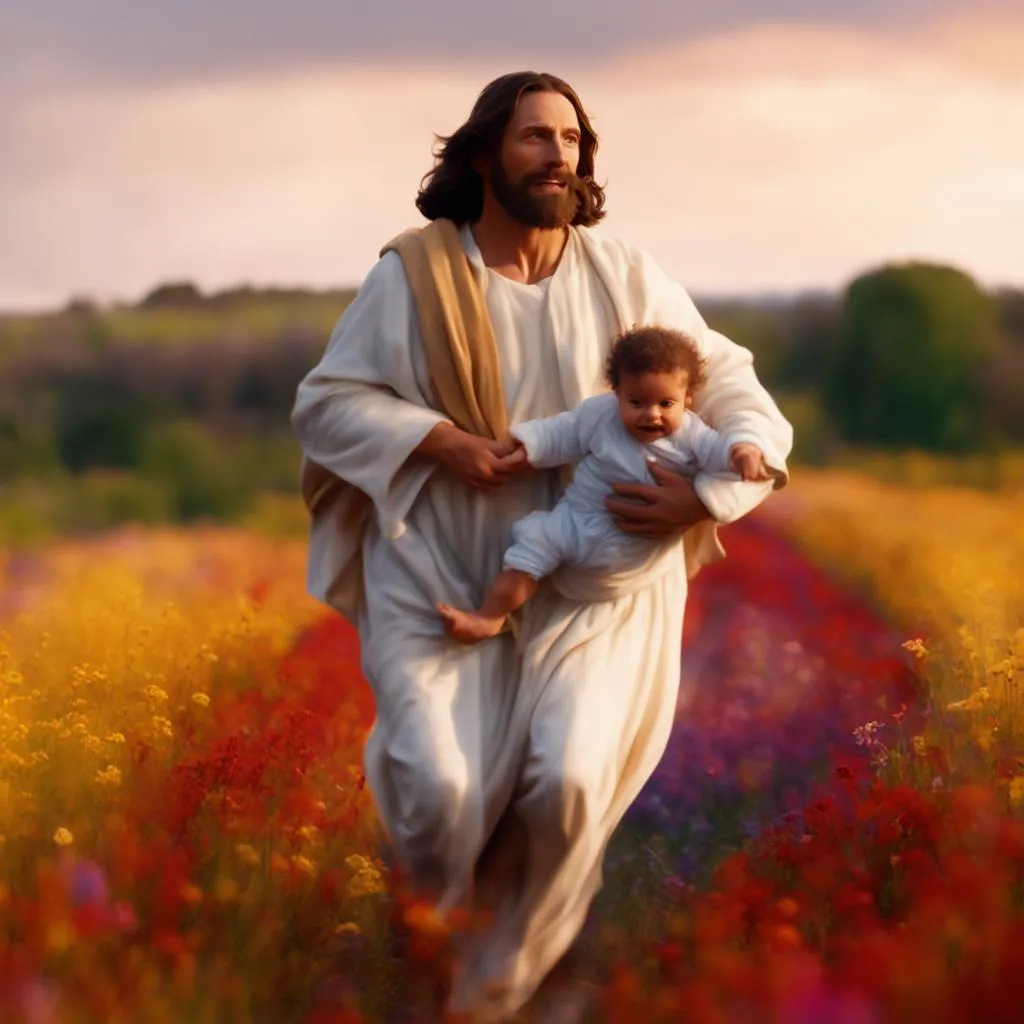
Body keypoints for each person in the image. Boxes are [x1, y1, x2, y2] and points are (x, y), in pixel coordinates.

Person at [291, 70, 793, 1023]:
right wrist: (434, 438)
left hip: (598, 587)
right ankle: (433, 945)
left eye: (571, 139)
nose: (558, 154)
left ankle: (497, 989)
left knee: (564, 786)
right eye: (534, 137)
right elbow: (326, 404)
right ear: (483, 154)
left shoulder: (626, 276)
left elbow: (729, 388)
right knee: (438, 789)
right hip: (443, 563)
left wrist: (707, 494)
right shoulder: (415, 274)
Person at [437, 324, 772, 644]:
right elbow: (562, 432)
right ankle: (489, 617)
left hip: (631, 546)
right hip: (575, 521)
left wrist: (743, 449)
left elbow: (722, 455)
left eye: (665, 404)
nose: (651, 415)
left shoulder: (693, 436)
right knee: (524, 562)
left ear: (687, 398)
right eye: (636, 403)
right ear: (617, 393)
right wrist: (527, 447)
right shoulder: (600, 416)